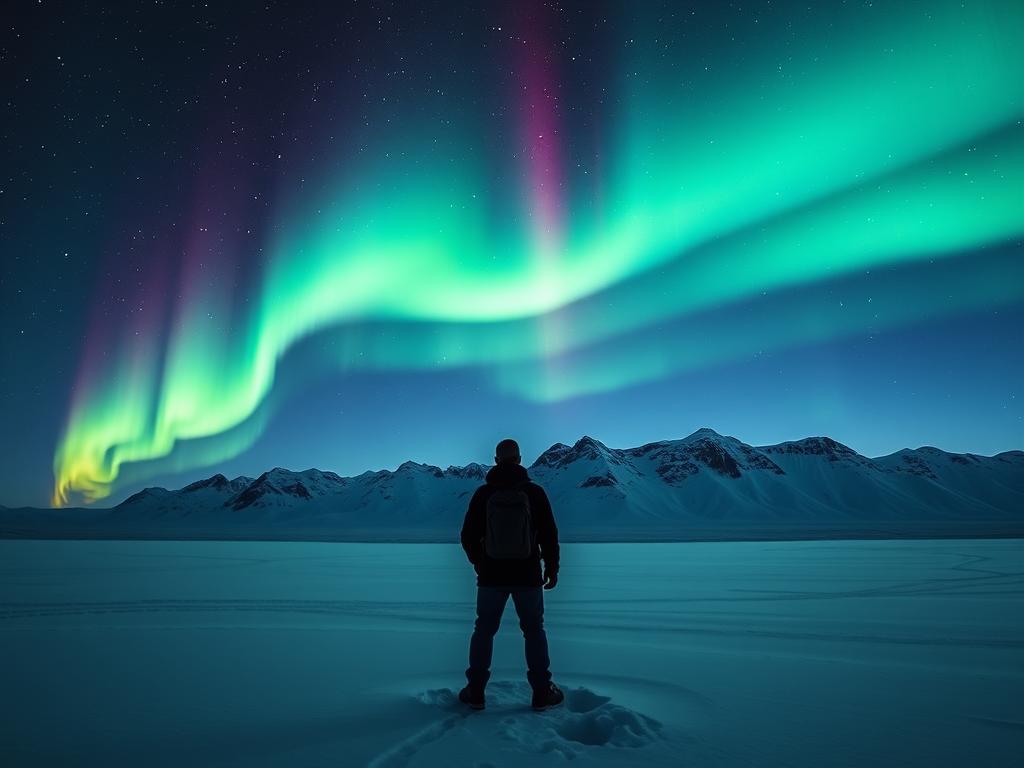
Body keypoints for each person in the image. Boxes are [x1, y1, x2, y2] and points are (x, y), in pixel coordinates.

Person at [458, 438, 564, 712]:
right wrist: (551, 568)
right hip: (527, 576)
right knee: (533, 631)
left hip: (491, 576)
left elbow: (468, 535)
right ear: (519, 459)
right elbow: (550, 534)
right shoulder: (534, 493)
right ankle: (542, 691)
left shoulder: (483, 494)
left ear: (496, 460)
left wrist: (480, 564)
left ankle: (476, 691)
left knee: (483, 631)